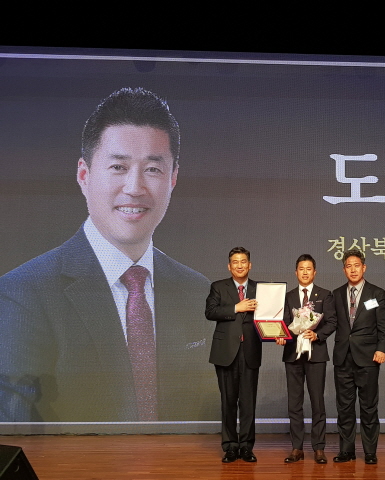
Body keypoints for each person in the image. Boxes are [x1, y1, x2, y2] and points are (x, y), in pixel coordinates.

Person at [0, 87, 214, 422]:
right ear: (84, 175)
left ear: (173, 178)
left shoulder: (197, 291)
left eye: (153, 169)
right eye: (118, 167)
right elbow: (18, 432)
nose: (135, 187)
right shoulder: (25, 293)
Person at [275, 254, 337, 464]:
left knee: (317, 401)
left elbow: (332, 322)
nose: (304, 272)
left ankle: (319, 448)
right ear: (296, 272)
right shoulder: (288, 296)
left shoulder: (325, 295)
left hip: (316, 354)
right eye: (301, 268)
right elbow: (282, 322)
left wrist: (317, 335)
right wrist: (280, 336)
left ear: (315, 272)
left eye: (308, 269)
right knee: (295, 403)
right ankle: (297, 448)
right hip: (292, 354)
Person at [332, 249, 385, 465]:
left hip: (368, 358)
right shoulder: (336, 294)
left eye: (357, 265)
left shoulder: (377, 293)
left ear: (364, 268)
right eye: (349, 266)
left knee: (368, 407)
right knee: (344, 408)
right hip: (343, 358)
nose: (353, 269)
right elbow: (330, 323)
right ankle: (346, 451)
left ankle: (370, 452)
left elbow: (383, 325)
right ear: (344, 270)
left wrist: (382, 349)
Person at [205, 247, 262, 463]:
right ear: (229, 266)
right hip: (226, 352)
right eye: (235, 262)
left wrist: (277, 332)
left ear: (250, 265)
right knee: (228, 401)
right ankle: (229, 446)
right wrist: (236, 307)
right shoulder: (218, 287)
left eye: (243, 261)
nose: (240, 265)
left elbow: (270, 315)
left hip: (250, 351)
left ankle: (246, 446)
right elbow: (210, 312)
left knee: (248, 403)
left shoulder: (259, 289)